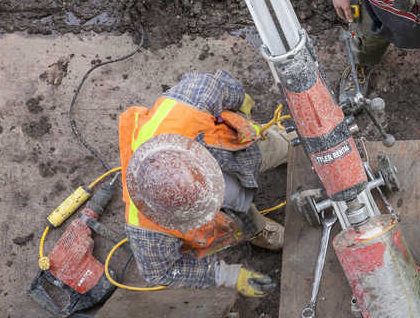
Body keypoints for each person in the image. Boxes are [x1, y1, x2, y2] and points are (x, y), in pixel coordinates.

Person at [118, 70, 292, 296]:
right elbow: (160, 272)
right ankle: (257, 230)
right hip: (225, 208)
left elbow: (210, 84)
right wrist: (230, 276)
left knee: (279, 148)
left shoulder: (186, 108)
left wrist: (238, 98)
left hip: (235, 148)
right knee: (236, 216)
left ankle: (290, 147)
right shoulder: (147, 231)